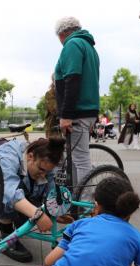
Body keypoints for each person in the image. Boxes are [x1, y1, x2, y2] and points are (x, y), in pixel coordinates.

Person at [0, 138, 65, 263]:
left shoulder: (44, 161)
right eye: (41, 169)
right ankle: (7, 236)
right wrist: (38, 215)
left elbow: (51, 189)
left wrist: (54, 210)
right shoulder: (7, 154)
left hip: (19, 189)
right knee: (6, 187)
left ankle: (10, 216)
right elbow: (8, 189)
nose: (44, 175)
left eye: (47, 172)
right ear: (30, 156)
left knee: (24, 221)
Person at [54, 16, 99, 185]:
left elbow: (72, 80)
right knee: (76, 158)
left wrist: (66, 115)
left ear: (62, 33)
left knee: (80, 160)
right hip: (88, 110)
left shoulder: (72, 45)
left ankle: (84, 204)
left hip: (77, 112)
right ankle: (76, 198)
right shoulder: (89, 47)